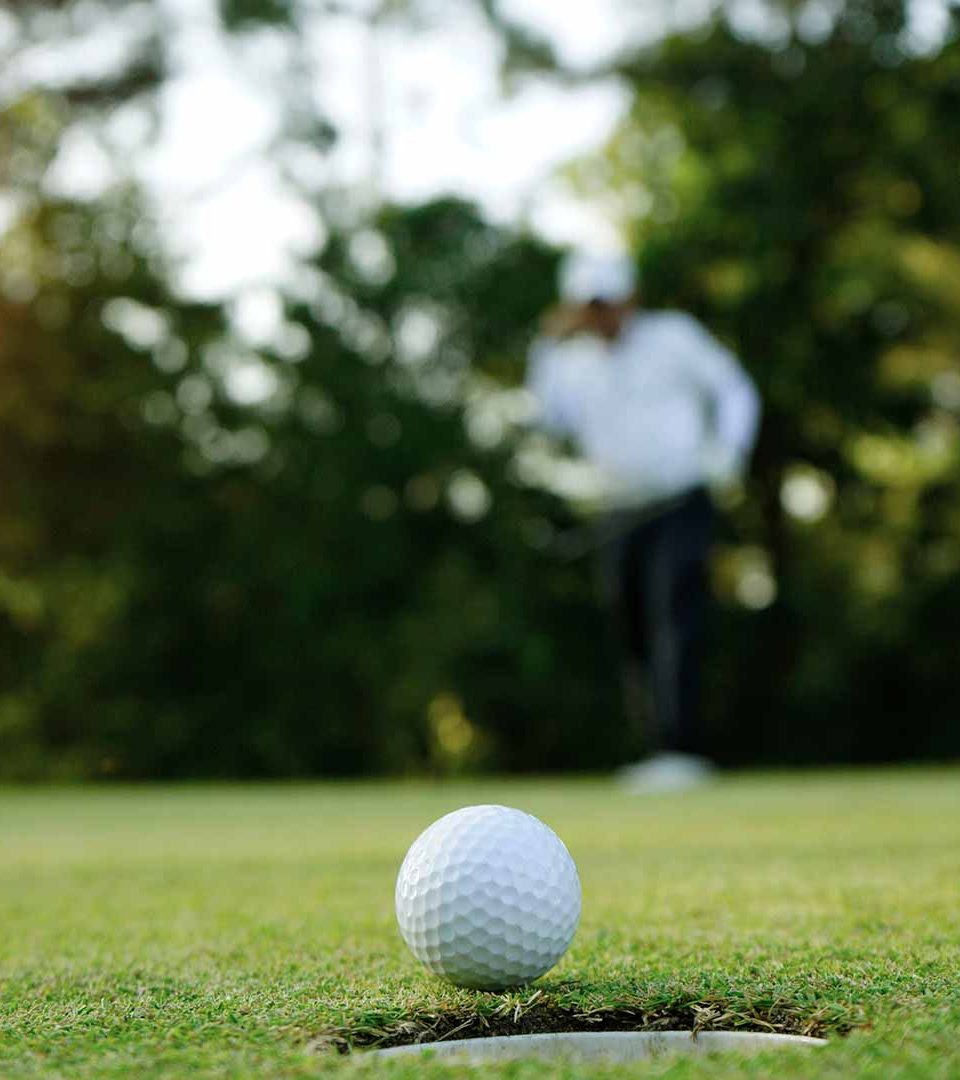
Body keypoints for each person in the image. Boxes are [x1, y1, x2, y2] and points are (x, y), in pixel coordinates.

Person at [526, 251, 760, 793]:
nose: (602, 315)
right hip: (618, 508)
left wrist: (730, 452)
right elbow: (544, 416)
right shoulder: (568, 362)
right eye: (590, 306)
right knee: (629, 624)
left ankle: (683, 750)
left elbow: (735, 389)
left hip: (681, 496)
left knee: (673, 612)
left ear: (630, 299)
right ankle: (658, 749)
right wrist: (544, 343)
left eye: (608, 303)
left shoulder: (673, 336)